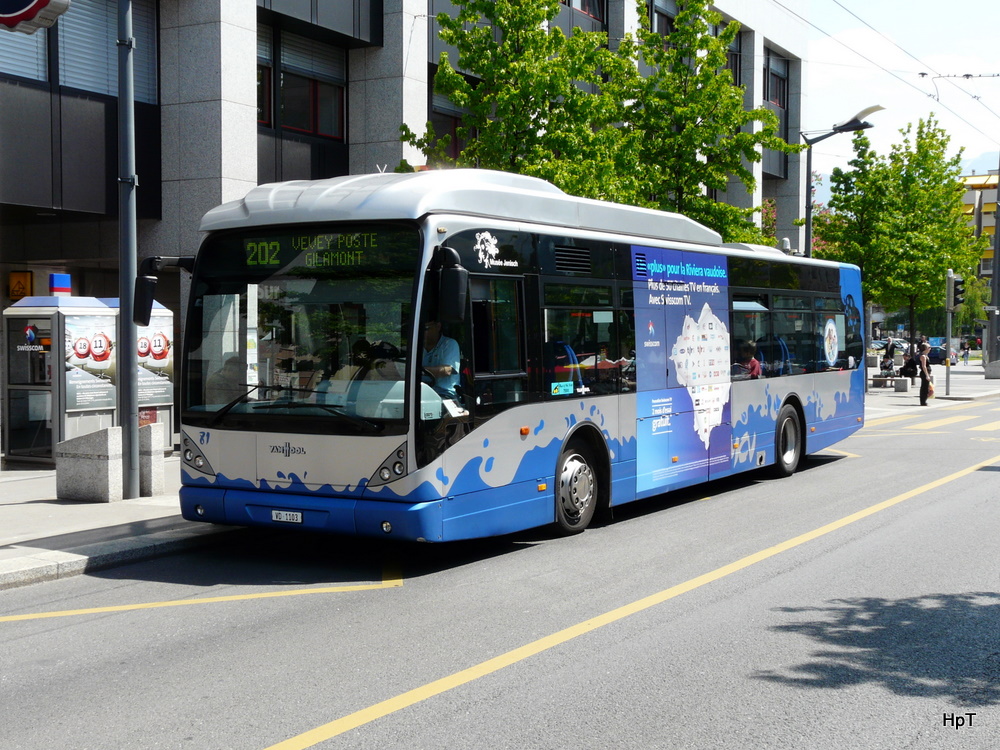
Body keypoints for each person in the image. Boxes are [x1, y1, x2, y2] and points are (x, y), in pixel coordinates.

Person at [422, 319, 460, 398]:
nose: (421, 332)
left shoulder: (449, 344)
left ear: (438, 326)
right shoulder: (415, 346)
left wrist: (419, 370)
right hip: (420, 390)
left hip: (444, 393)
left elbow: (447, 370)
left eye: (426, 328)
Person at [917, 342, 933, 406]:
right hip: (924, 373)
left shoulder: (926, 356)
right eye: (929, 347)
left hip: (927, 372)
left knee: (926, 387)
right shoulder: (923, 356)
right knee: (924, 387)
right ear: (925, 348)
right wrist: (927, 375)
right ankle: (923, 401)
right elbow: (924, 366)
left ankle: (924, 400)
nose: (930, 349)